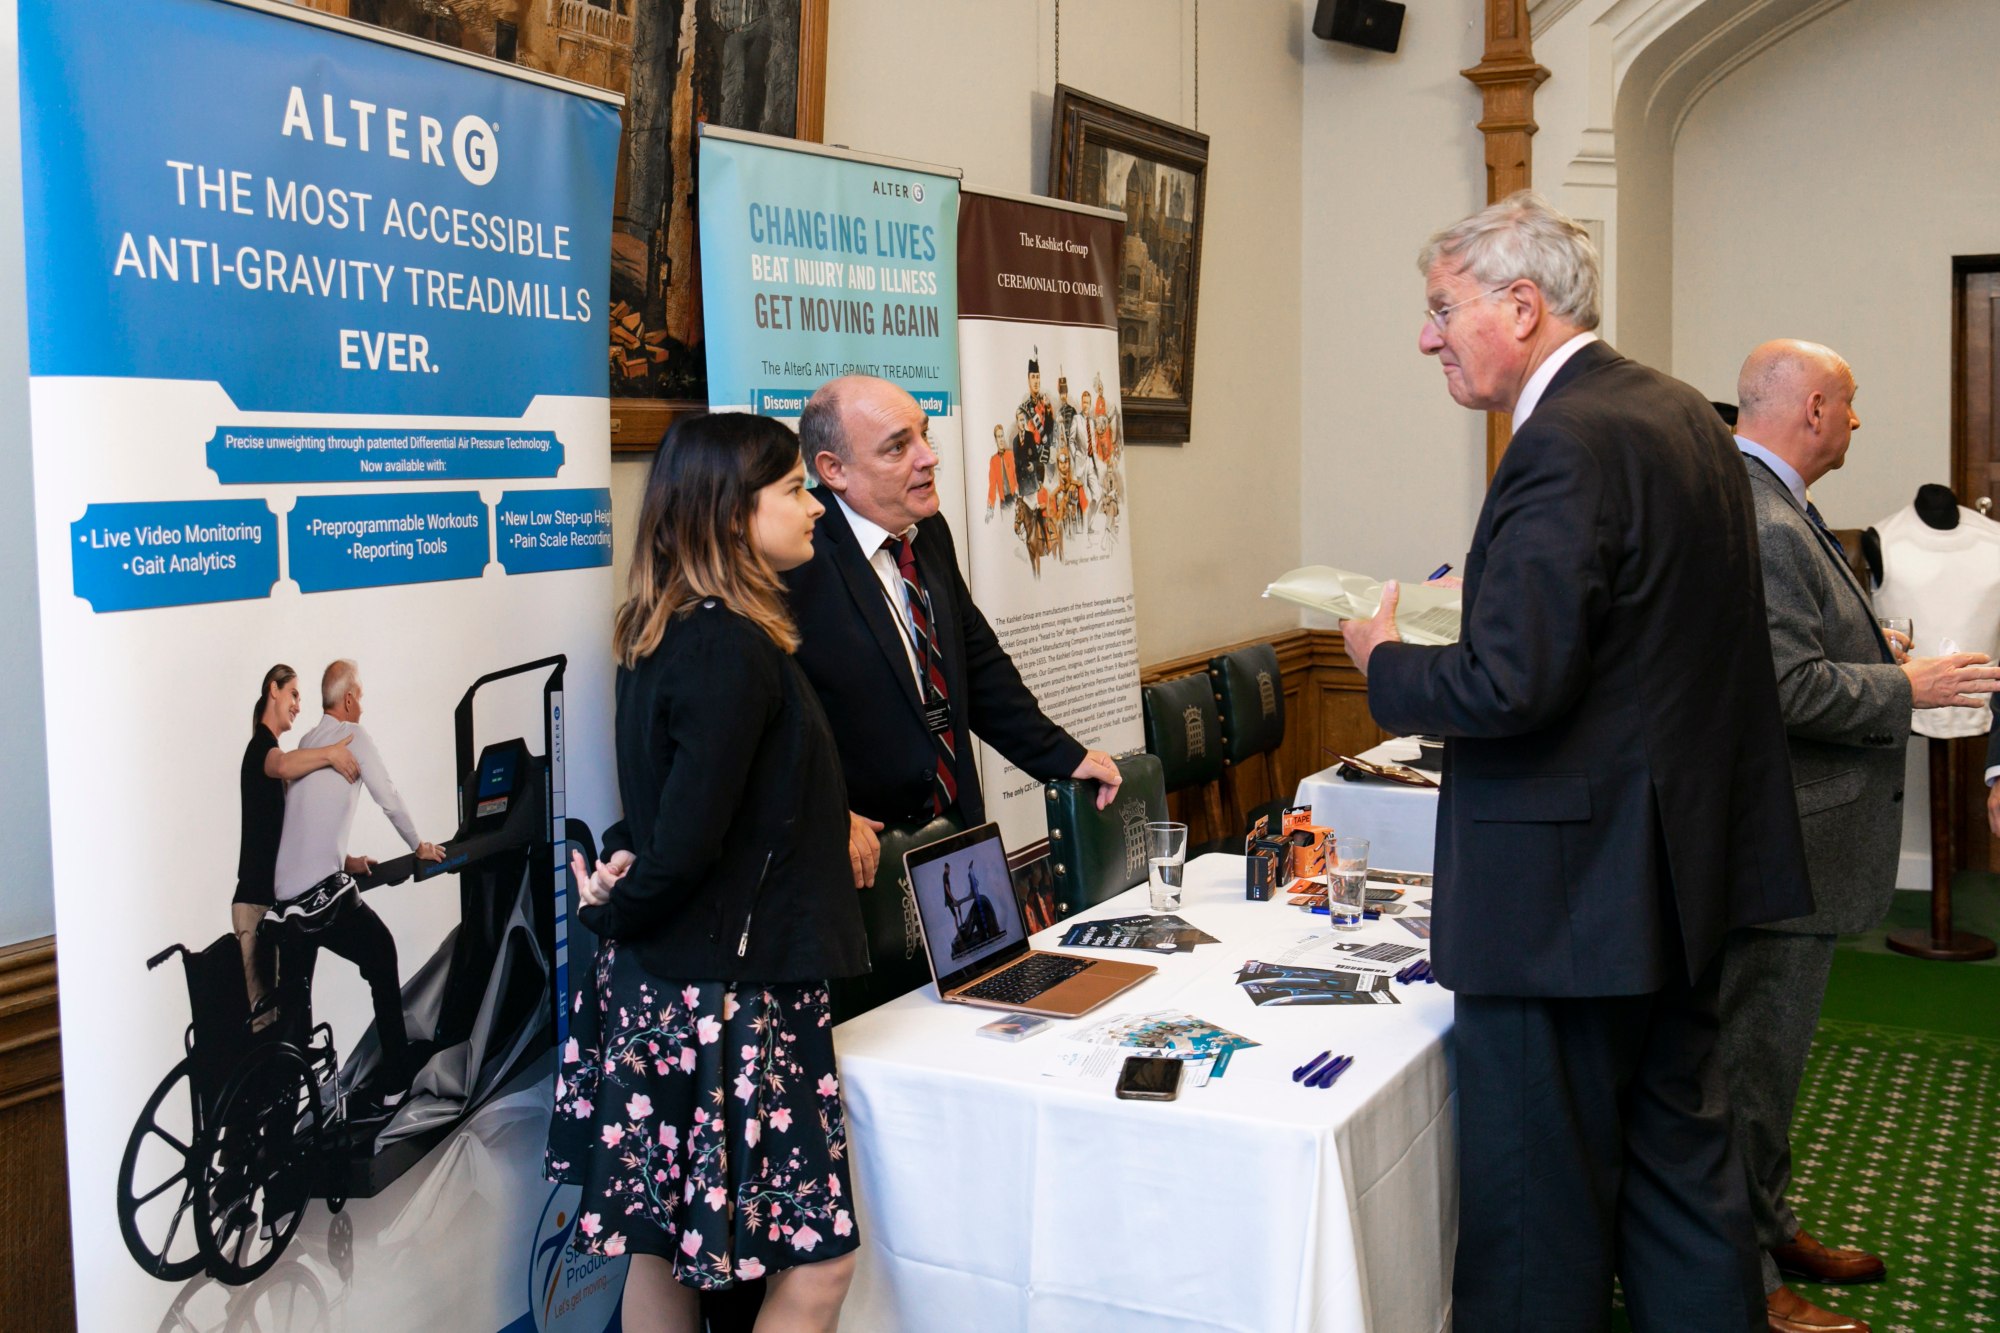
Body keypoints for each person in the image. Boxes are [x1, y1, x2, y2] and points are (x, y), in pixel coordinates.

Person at [1339, 191, 1814, 1331]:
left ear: (1519, 303)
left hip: (1562, 910)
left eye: (1438, 309)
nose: (1424, 337)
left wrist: (1384, 659)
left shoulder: (1562, 442)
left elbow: (1510, 686)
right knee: (1682, 1193)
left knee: (1531, 1222)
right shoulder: (1676, 413)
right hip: (1674, 885)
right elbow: (1649, 645)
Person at [551, 412, 867, 1333]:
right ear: (734, 514)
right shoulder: (730, 643)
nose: (815, 505)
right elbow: (687, 840)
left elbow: (684, 808)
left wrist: (624, 888)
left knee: (662, 1248)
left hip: (676, 983)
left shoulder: (668, 628)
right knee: (820, 1266)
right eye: (794, 490)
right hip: (727, 994)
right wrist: (618, 907)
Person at [1724, 340, 2000, 1333]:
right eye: (1845, 406)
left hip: (1802, 839)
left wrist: (1863, 648)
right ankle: (1749, 1287)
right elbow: (1781, 689)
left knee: (1775, 1063)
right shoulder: (1761, 517)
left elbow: (1795, 650)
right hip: (1782, 844)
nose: (1854, 423)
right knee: (1748, 1075)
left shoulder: (1776, 503)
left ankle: (1774, 1226)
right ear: (1806, 408)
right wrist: (1904, 686)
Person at [786, 375, 1123, 889]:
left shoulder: (929, 531)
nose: (928, 457)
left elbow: (976, 662)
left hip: (957, 827)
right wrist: (823, 810)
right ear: (833, 469)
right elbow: (773, 721)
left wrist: (1063, 757)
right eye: (898, 447)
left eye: (923, 435)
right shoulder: (796, 555)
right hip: (861, 861)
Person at [270, 659, 446, 1107]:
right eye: (361, 697)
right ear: (348, 699)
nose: (362, 706)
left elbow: (304, 821)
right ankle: (395, 1081)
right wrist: (419, 843)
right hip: (318, 898)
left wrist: (345, 859)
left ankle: (282, 1121)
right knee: (382, 953)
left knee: (293, 1012)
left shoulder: (308, 743)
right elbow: (387, 794)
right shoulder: (353, 738)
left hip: (284, 902)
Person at [234, 664, 360, 1015]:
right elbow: (284, 765)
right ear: (273, 690)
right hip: (254, 905)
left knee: (284, 1018)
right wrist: (331, 753)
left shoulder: (275, 758)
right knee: (265, 1024)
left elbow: (302, 832)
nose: (298, 705)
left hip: (273, 908)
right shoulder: (261, 748)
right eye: (294, 694)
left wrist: (348, 862)